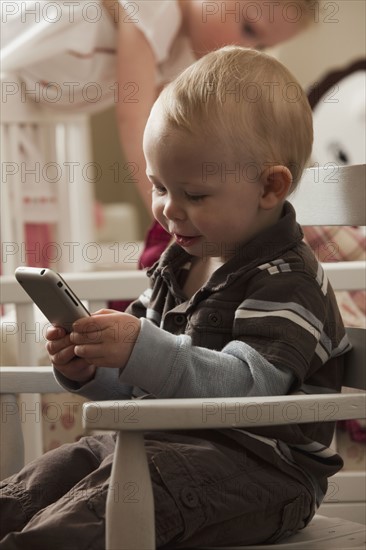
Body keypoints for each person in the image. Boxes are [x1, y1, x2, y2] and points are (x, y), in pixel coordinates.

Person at [0, 46, 350, 549]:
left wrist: (141, 347)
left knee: (98, 508)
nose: (168, 209)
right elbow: (145, 393)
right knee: (61, 470)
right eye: (159, 186)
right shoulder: (178, 263)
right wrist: (93, 367)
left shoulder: (287, 279)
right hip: (169, 442)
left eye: (195, 194)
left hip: (264, 472)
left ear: (270, 187)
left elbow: (248, 391)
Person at [1, 0, 319, 275]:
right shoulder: (158, 7)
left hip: (24, 100)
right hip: (11, 58)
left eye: (261, 47)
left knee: (33, 222)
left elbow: (174, 133)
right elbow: (137, 120)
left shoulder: (178, 52)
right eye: (249, 29)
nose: (247, 50)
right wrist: (172, 211)